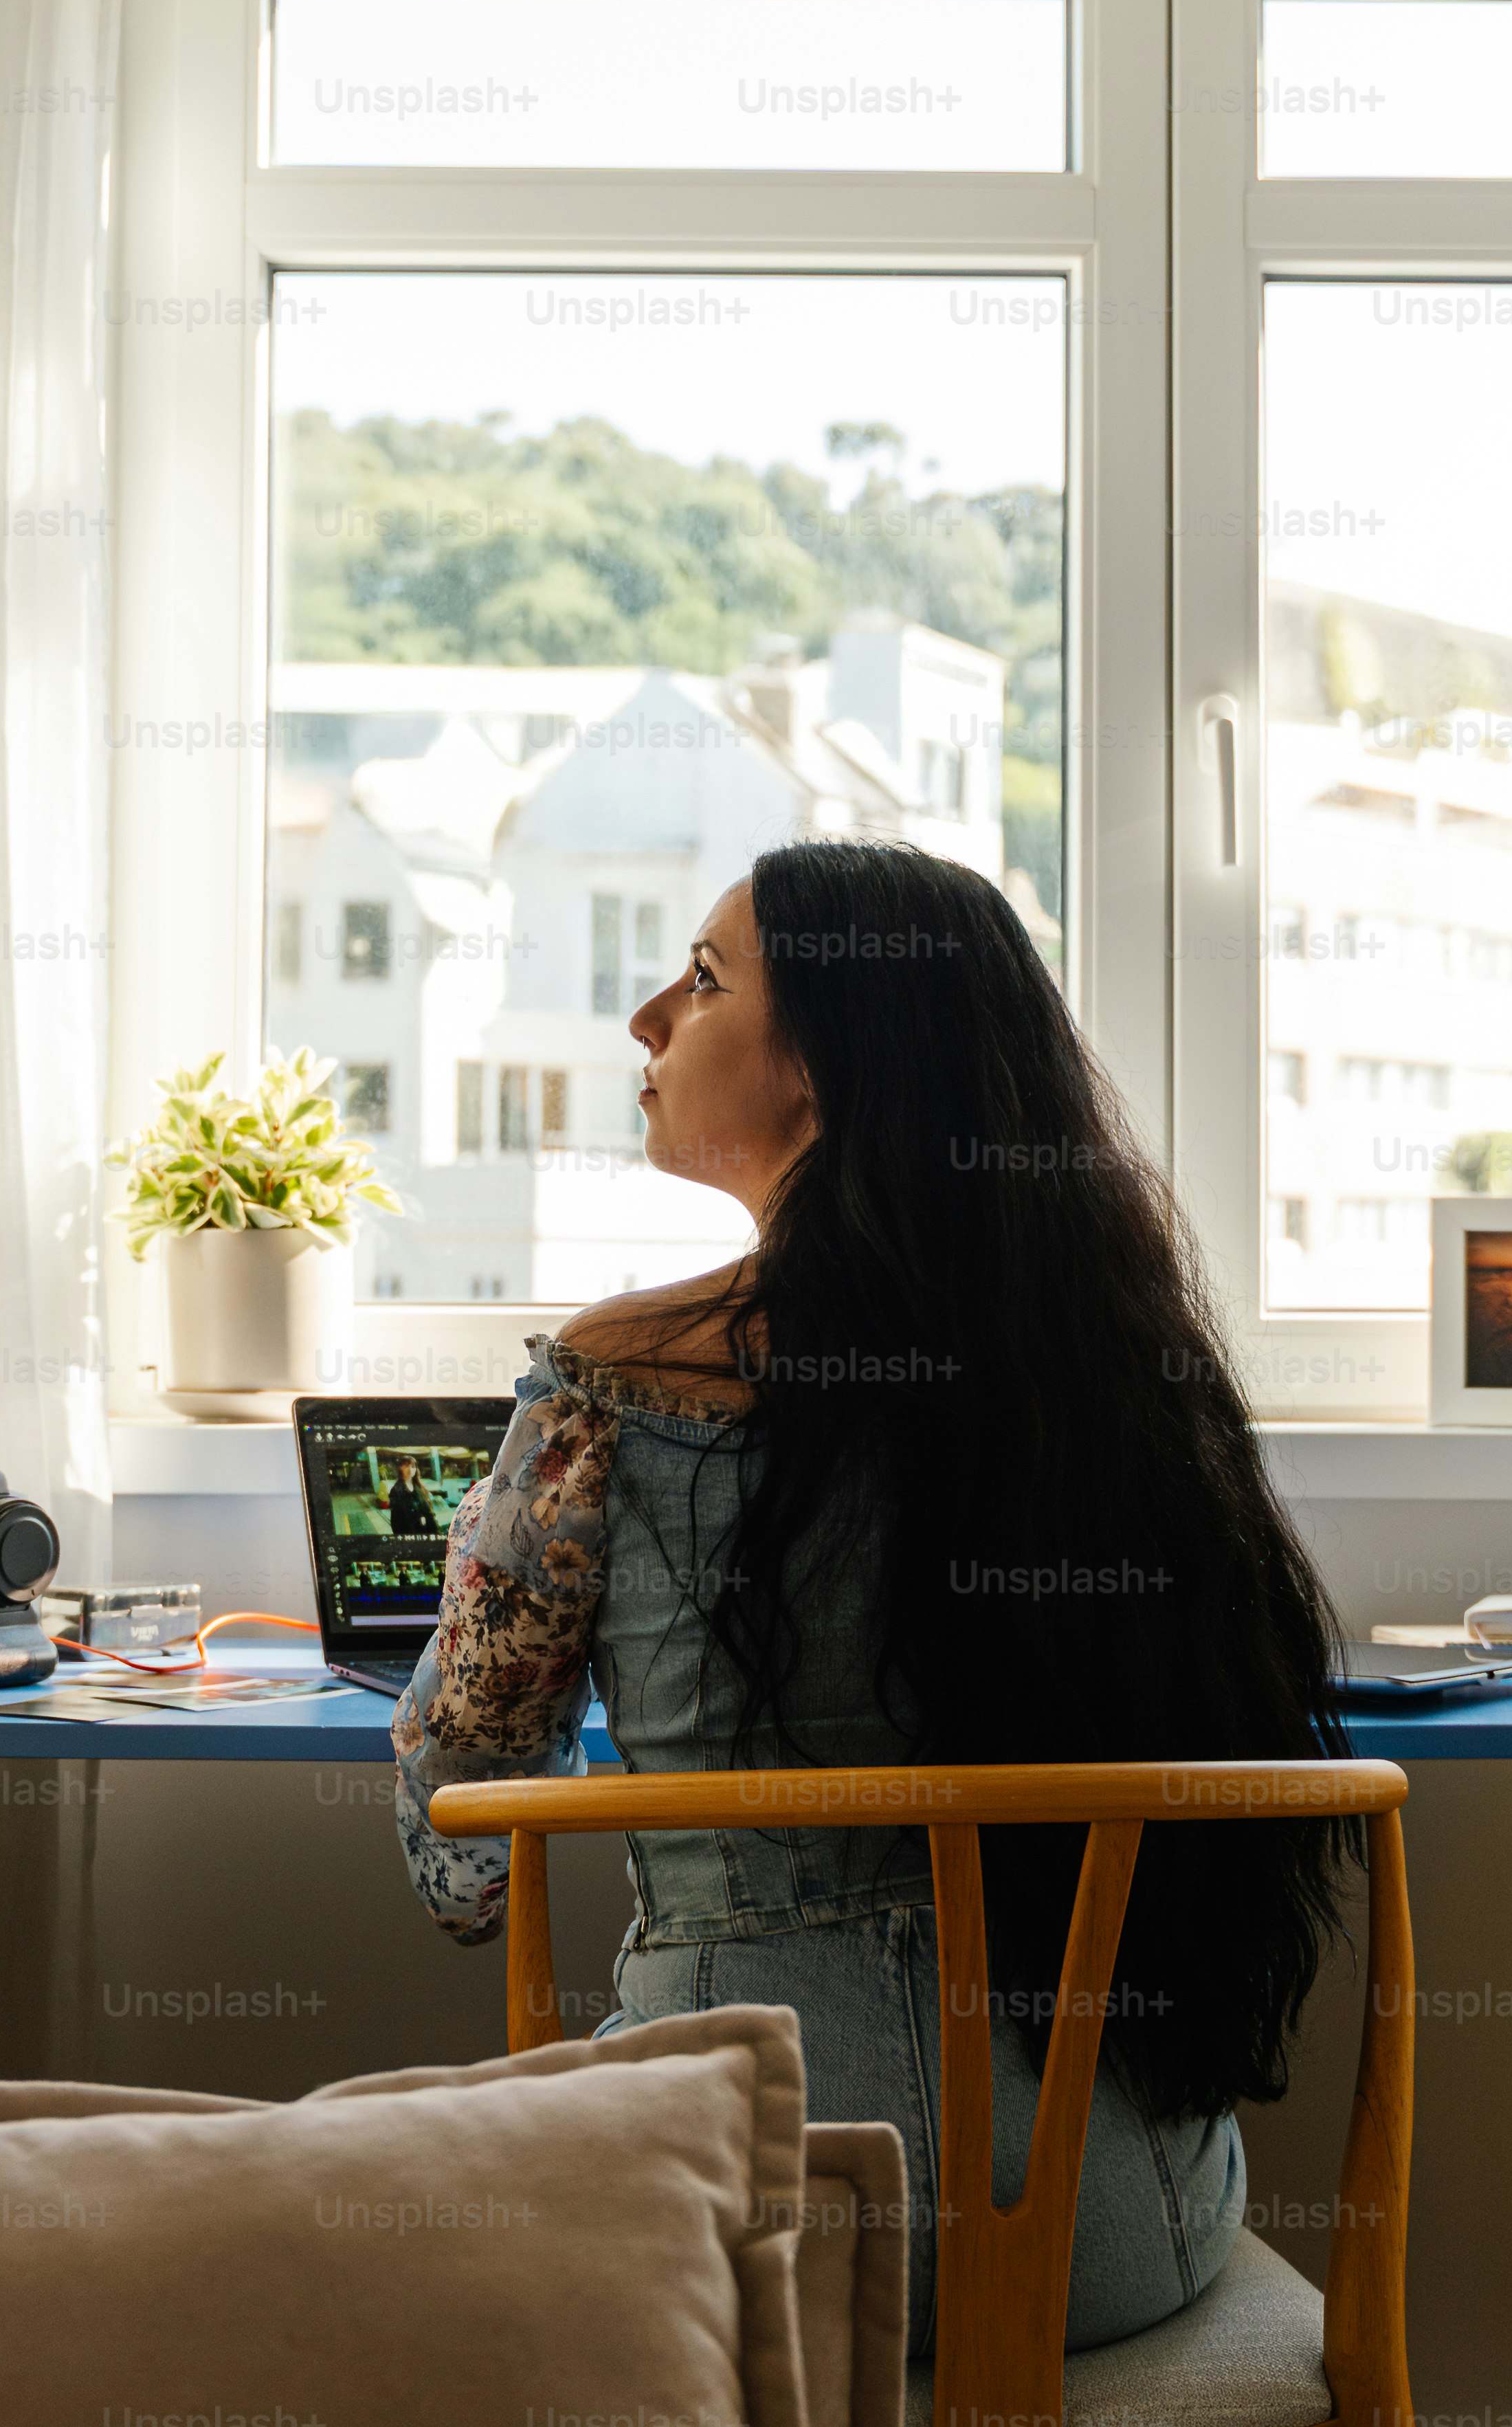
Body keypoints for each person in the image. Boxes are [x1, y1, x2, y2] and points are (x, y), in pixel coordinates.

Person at [391, 837, 1354, 2353]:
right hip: (1108, 2241)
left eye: (703, 981)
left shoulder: (611, 1380)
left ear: (829, 1067)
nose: (648, 1017)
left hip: (742, 2228)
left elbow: (461, 1814)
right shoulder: (1109, 1370)